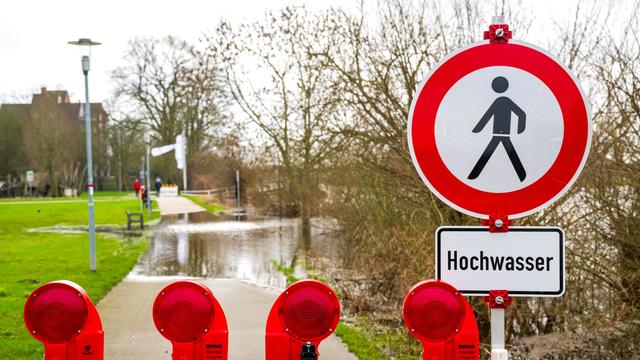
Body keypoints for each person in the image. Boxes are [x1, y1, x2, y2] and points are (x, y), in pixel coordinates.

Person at [468, 76, 527, 182]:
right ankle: (522, 176)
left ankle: (474, 175)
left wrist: (478, 129)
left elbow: (487, 116)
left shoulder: (501, 101)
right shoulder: (504, 101)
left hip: (501, 133)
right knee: (507, 153)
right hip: (501, 134)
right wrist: (520, 129)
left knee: (492, 153)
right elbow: (521, 114)